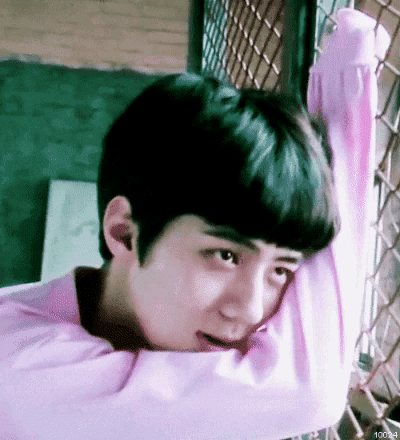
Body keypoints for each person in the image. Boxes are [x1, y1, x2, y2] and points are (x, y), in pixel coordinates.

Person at [0, 8, 389, 440]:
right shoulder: (18, 368)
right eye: (225, 255)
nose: (250, 310)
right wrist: (346, 97)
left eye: (282, 270)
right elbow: (306, 393)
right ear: (125, 231)